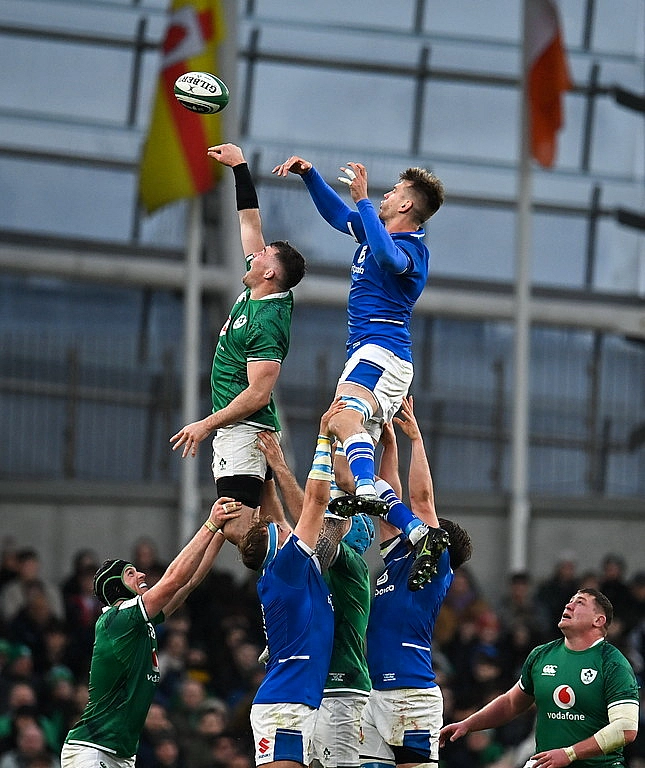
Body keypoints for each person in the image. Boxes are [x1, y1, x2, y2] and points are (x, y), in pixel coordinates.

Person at [272, 154, 446, 588]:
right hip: (368, 355)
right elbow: (337, 216)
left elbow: (388, 259)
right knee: (343, 468)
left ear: (406, 206)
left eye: (394, 193)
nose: (386, 197)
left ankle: (368, 489)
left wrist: (365, 201)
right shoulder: (373, 232)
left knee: (342, 419)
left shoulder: (413, 250)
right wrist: (310, 176)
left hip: (382, 351)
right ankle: (416, 530)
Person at [170, 143, 306, 547]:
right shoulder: (260, 288)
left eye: (264, 253)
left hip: (242, 429)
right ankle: (296, 570)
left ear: (270, 272)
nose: (256, 251)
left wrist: (205, 424)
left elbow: (259, 392)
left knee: (235, 529)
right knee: (261, 520)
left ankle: (303, 568)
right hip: (243, 430)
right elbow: (250, 222)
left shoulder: (266, 322)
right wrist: (240, 168)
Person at [60, 498, 241, 768]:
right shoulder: (118, 619)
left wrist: (220, 534)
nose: (142, 573)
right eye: (132, 573)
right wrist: (210, 524)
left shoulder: (137, 622)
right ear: (116, 588)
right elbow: (173, 579)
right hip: (93, 747)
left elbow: (188, 583)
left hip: (120, 753)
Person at [359, 396, 473, 768]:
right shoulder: (397, 560)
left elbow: (421, 500)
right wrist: (389, 444)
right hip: (374, 693)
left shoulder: (437, 562)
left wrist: (416, 440)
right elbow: (388, 504)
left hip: (411, 695)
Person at [255, 424, 375, 768]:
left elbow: (311, 517)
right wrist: (268, 477)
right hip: (310, 690)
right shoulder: (308, 566)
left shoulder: (349, 563)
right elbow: (292, 523)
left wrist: (280, 468)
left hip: (341, 688)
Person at [237, 400, 344, 768]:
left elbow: (274, 515)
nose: (288, 526)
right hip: (286, 705)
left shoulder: (282, 568)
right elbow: (315, 500)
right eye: (283, 530)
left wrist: (266, 471)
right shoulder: (287, 568)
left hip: (297, 701)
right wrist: (324, 437)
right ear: (280, 543)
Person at [439, 588, 640, 768]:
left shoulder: (613, 663)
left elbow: (626, 729)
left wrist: (570, 754)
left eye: (580, 602)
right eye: (570, 600)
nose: (569, 604)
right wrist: (467, 724)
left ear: (598, 620)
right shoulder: (542, 655)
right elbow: (510, 703)